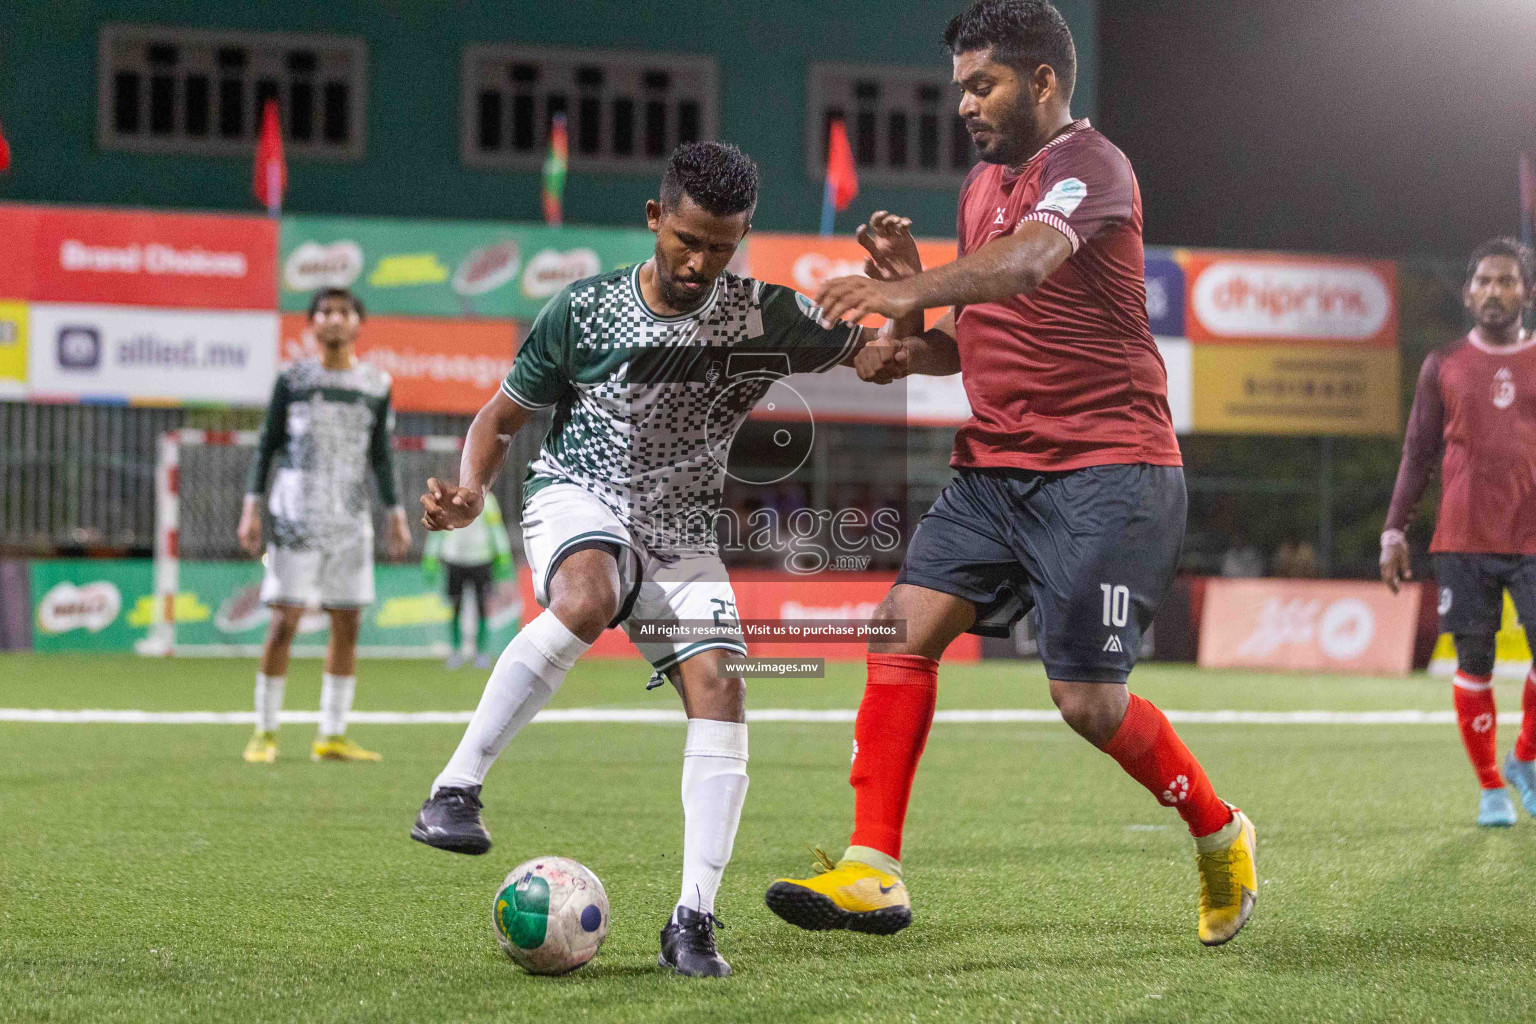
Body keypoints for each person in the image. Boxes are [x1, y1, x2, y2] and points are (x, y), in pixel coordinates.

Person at [765, 0, 1256, 947]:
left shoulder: (1093, 167)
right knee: (900, 632)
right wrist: (906, 343)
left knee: (1086, 701)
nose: (964, 106)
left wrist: (905, 288)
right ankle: (874, 868)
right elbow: (979, 331)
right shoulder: (982, 185)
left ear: (1043, 82)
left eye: (981, 85)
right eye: (958, 89)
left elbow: (1029, 266)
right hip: (996, 465)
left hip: (1109, 469)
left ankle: (1218, 829)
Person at [409, 142, 872, 977]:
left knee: (724, 686)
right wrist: (474, 489)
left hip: (683, 532)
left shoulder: (765, 315)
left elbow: (890, 359)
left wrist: (905, 297)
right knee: (587, 595)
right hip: (577, 494)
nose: (700, 261)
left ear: (744, 237)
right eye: (687, 239)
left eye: (721, 246)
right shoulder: (584, 310)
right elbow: (498, 418)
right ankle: (454, 790)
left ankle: (692, 921)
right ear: (655, 218)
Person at [1382, 237, 1536, 827]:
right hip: (1464, 537)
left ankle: (1524, 759)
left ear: (1526, 291)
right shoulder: (1442, 364)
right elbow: (1417, 453)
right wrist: (1394, 531)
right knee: (1475, 661)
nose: (1492, 291)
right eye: (1482, 281)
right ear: (1468, 292)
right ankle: (1491, 787)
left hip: (1531, 536)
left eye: (1505, 281)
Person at [238, 288, 412, 764]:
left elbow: (381, 455)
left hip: (351, 518)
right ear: (311, 324)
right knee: (283, 622)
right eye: (325, 312)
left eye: (344, 311)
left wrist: (395, 514)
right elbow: (266, 445)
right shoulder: (291, 378)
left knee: (348, 622)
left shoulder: (376, 382)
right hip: (295, 516)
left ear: (358, 323)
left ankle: (331, 734)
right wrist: (251, 506)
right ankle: (264, 731)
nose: (334, 319)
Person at [423, 490, 514, 669]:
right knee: (455, 607)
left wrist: (503, 552)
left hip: (482, 560)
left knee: (482, 607)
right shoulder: (447, 500)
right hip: (454, 559)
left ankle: (481, 652)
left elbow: (496, 527)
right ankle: (456, 651)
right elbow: (438, 529)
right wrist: (431, 555)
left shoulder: (487, 501)